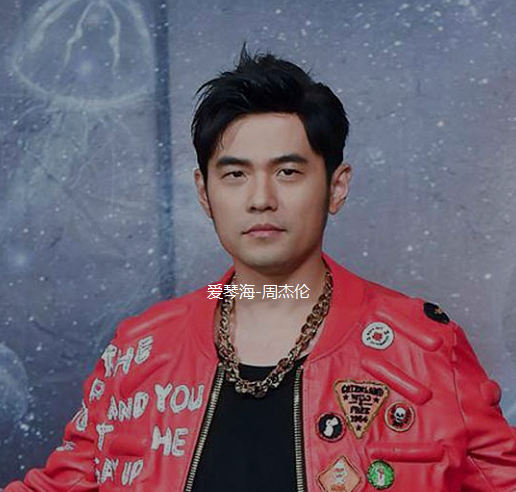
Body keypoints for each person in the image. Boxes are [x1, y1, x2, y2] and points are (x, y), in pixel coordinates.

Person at [4, 43, 516, 492]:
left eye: (288, 172)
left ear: (336, 186)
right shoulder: (142, 351)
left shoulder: (423, 347)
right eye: (235, 175)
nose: (261, 199)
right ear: (204, 193)